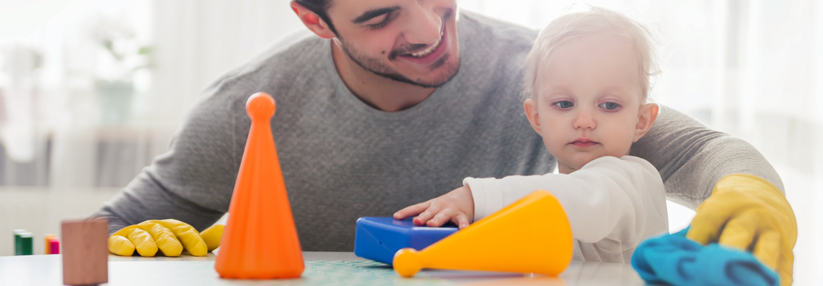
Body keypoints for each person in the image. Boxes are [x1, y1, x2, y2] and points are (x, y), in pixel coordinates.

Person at [94, 1, 795, 284]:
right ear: (316, 21)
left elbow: (690, 152)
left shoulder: (545, 74)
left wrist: (751, 189)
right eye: (379, 15)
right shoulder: (255, 107)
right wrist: (135, 239)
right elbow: (104, 233)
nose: (428, 27)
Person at [395, 7, 668, 263]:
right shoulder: (554, 191)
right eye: (564, 104)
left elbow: (579, 200)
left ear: (641, 121)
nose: (584, 121)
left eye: (609, 105)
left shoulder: (631, 182)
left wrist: (475, 197)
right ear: (536, 118)